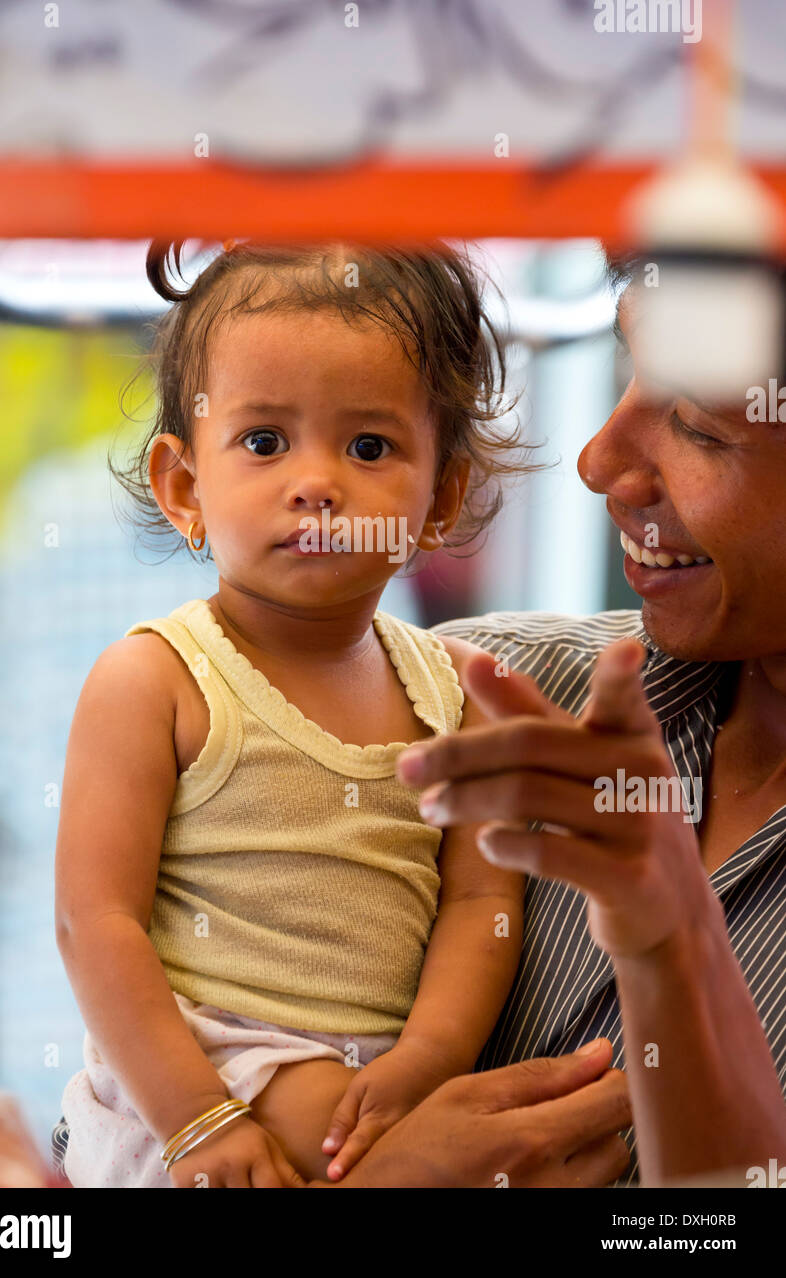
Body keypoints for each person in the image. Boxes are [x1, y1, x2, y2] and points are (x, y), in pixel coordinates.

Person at [55, 238, 566, 1188]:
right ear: (184, 487)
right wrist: (200, 1119)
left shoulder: (463, 702)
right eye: (263, 441)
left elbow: (483, 903)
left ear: (442, 495)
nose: (317, 481)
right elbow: (97, 923)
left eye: (369, 446)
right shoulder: (158, 680)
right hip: (192, 1071)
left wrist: (426, 1060)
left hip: (374, 1079)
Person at [388, 263, 786, 1187]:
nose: (598, 461)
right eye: (625, 369)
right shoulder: (477, 692)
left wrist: (672, 942)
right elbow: (140, 1126)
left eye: (698, 426)